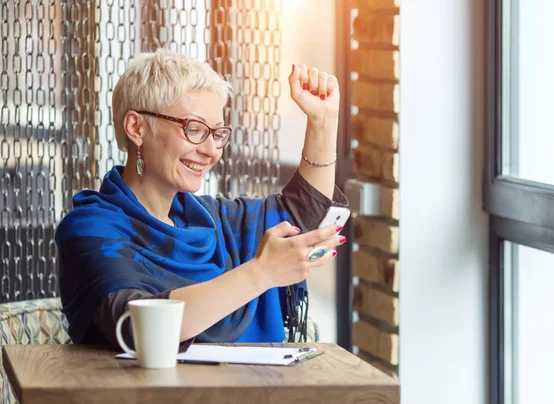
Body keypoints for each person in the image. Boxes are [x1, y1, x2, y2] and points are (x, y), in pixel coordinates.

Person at [55, 48, 348, 350]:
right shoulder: (91, 229)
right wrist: (261, 273)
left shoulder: (213, 220)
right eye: (194, 129)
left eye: (218, 133)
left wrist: (323, 123)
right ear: (137, 127)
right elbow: (137, 327)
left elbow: (301, 217)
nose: (211, 151)